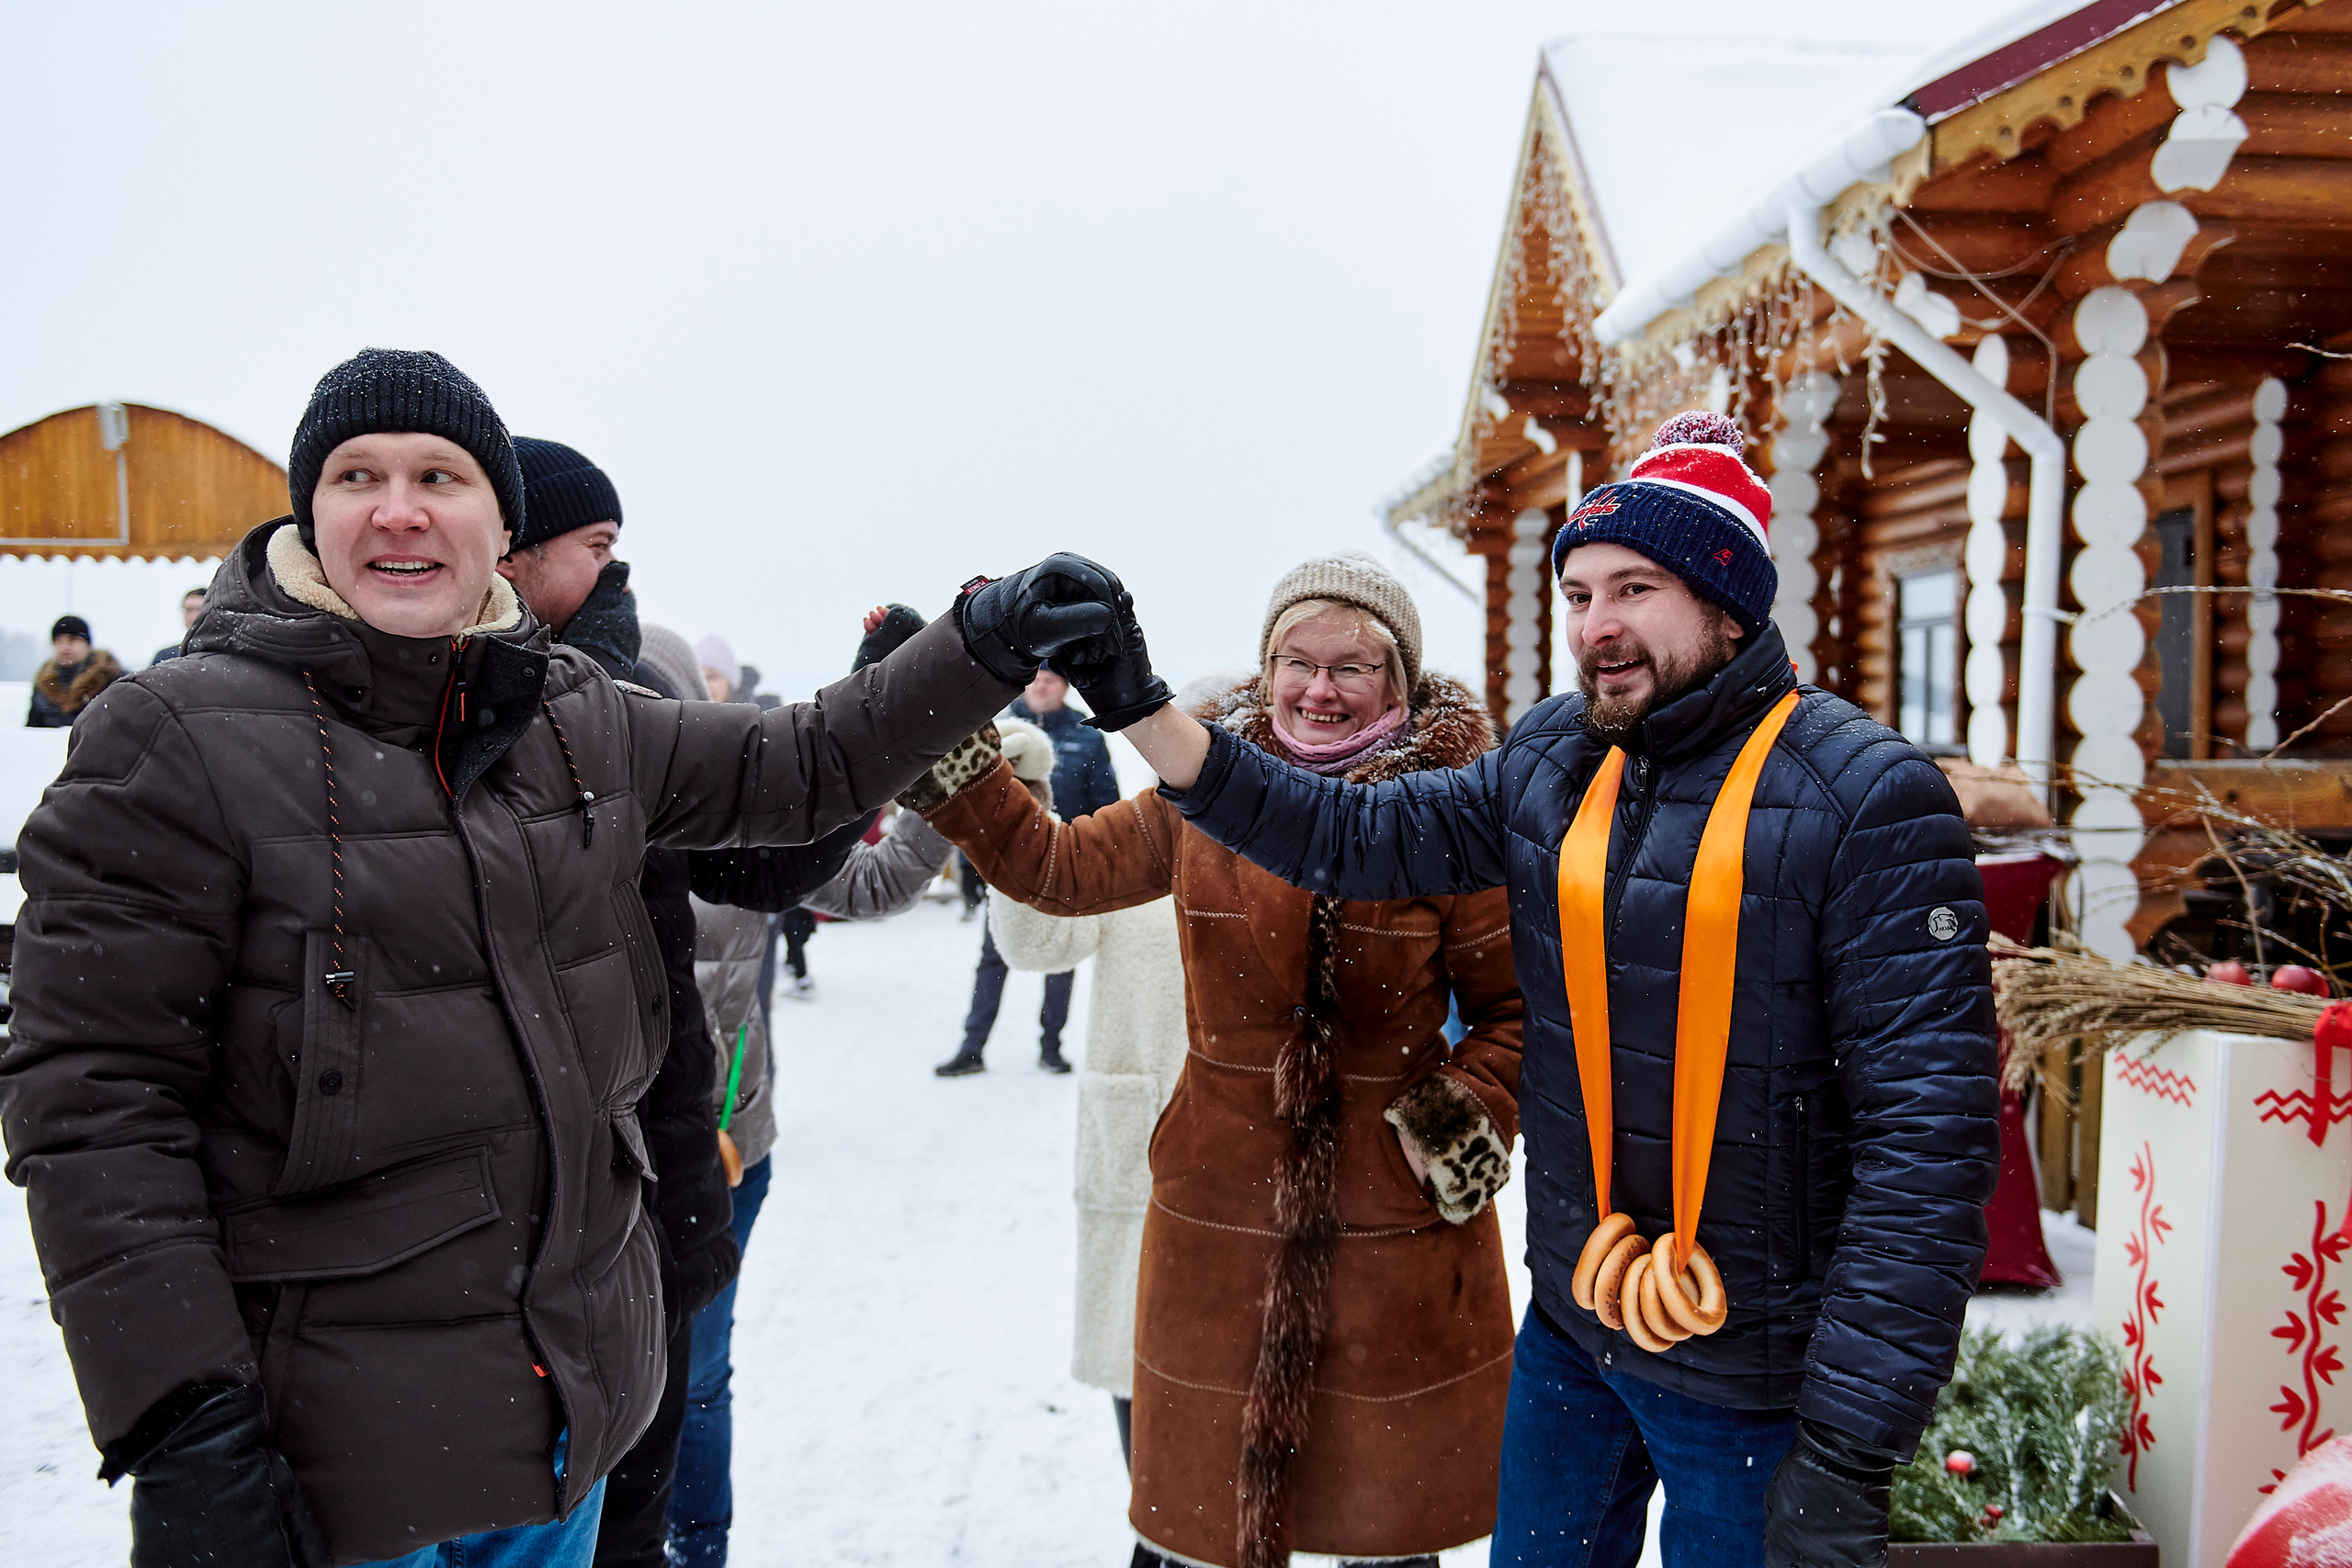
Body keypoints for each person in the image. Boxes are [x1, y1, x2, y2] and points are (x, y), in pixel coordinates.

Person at [0, 345, 1134, 1568]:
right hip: (329, 1471)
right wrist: (183, 1421)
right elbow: (92, 1105)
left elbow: (794, 764)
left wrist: (983, 639)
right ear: (307, 510)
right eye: (355, 474)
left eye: (440, 475)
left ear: (497, 521)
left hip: (560, 1438)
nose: (399, 506)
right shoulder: (169, 736)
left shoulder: (574, 706)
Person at [1097, 418, 2002, 1568]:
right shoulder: (1557, 758)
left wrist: (1850, 1449)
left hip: (1756, 1381)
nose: (1596, 623)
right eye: (1578, 592)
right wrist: (1144, 710)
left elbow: (1929, 1146)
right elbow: (1343, 830)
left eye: (1636, 587)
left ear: (1728, 603)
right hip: (1576, 1341)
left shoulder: (1864, 796)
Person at [911, 551, 1523, 1568]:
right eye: (1295, 660)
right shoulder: (1202, 792)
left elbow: (1517, 1013)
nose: (1316, 689)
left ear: (1400, 681)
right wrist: (943, 728)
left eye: (1350, 667)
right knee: (1202, 1532)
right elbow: (1054, 871)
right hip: (1217, 1222)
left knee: (1390, 1533)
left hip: (1395, 1234)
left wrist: (1448, 1134)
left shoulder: (1452, 814)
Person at [638, 613, 956, 1568]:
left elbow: (880, 881)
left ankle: (699, 1548)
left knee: (696, 1379)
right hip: (591, 1165)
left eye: (664, 710)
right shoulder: (548, 840)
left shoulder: (737, 838)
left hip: (727, 1154)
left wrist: (947, 774)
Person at [499, 437, 746, 1568]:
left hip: (647, 1173)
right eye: (596, 548)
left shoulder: (622, 697)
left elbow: (776, 854)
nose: (617, 575)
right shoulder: (416, 715)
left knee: (635, 1479)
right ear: (517, 545)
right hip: (509, 1217)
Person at [984, 829, 1184, 1471]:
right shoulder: (1141, 838)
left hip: (1254, 1166)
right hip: (1143, 1143)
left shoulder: (1297, 834)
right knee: (1136, 1354)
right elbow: (1036, 941)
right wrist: (1015, 812)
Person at [935, 668, 1120, 1077]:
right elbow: (971, 799)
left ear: (1066, 685)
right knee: (993, 956)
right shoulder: (997, 730)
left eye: (1051, 679)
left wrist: (1094, 862)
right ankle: (972, 1047)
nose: (1041, 686)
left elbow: (1107, 806)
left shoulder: (1088, 736)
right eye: (1035, 678)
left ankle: (1051, 1046)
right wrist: (971, 863)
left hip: (1065, 865)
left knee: (1060, 957)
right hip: (1005, 867)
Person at [27, 614, 121, 727]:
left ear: (87, 644)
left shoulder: (113, 680)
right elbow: (32, 730)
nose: (64, 647)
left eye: (72, 640)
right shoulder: (43, 684)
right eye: (58, 641)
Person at [152, 587, 208, 664]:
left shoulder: (225, 653)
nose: (193, 615)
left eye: (199, 609)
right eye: (188, 610)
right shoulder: (166, 657)